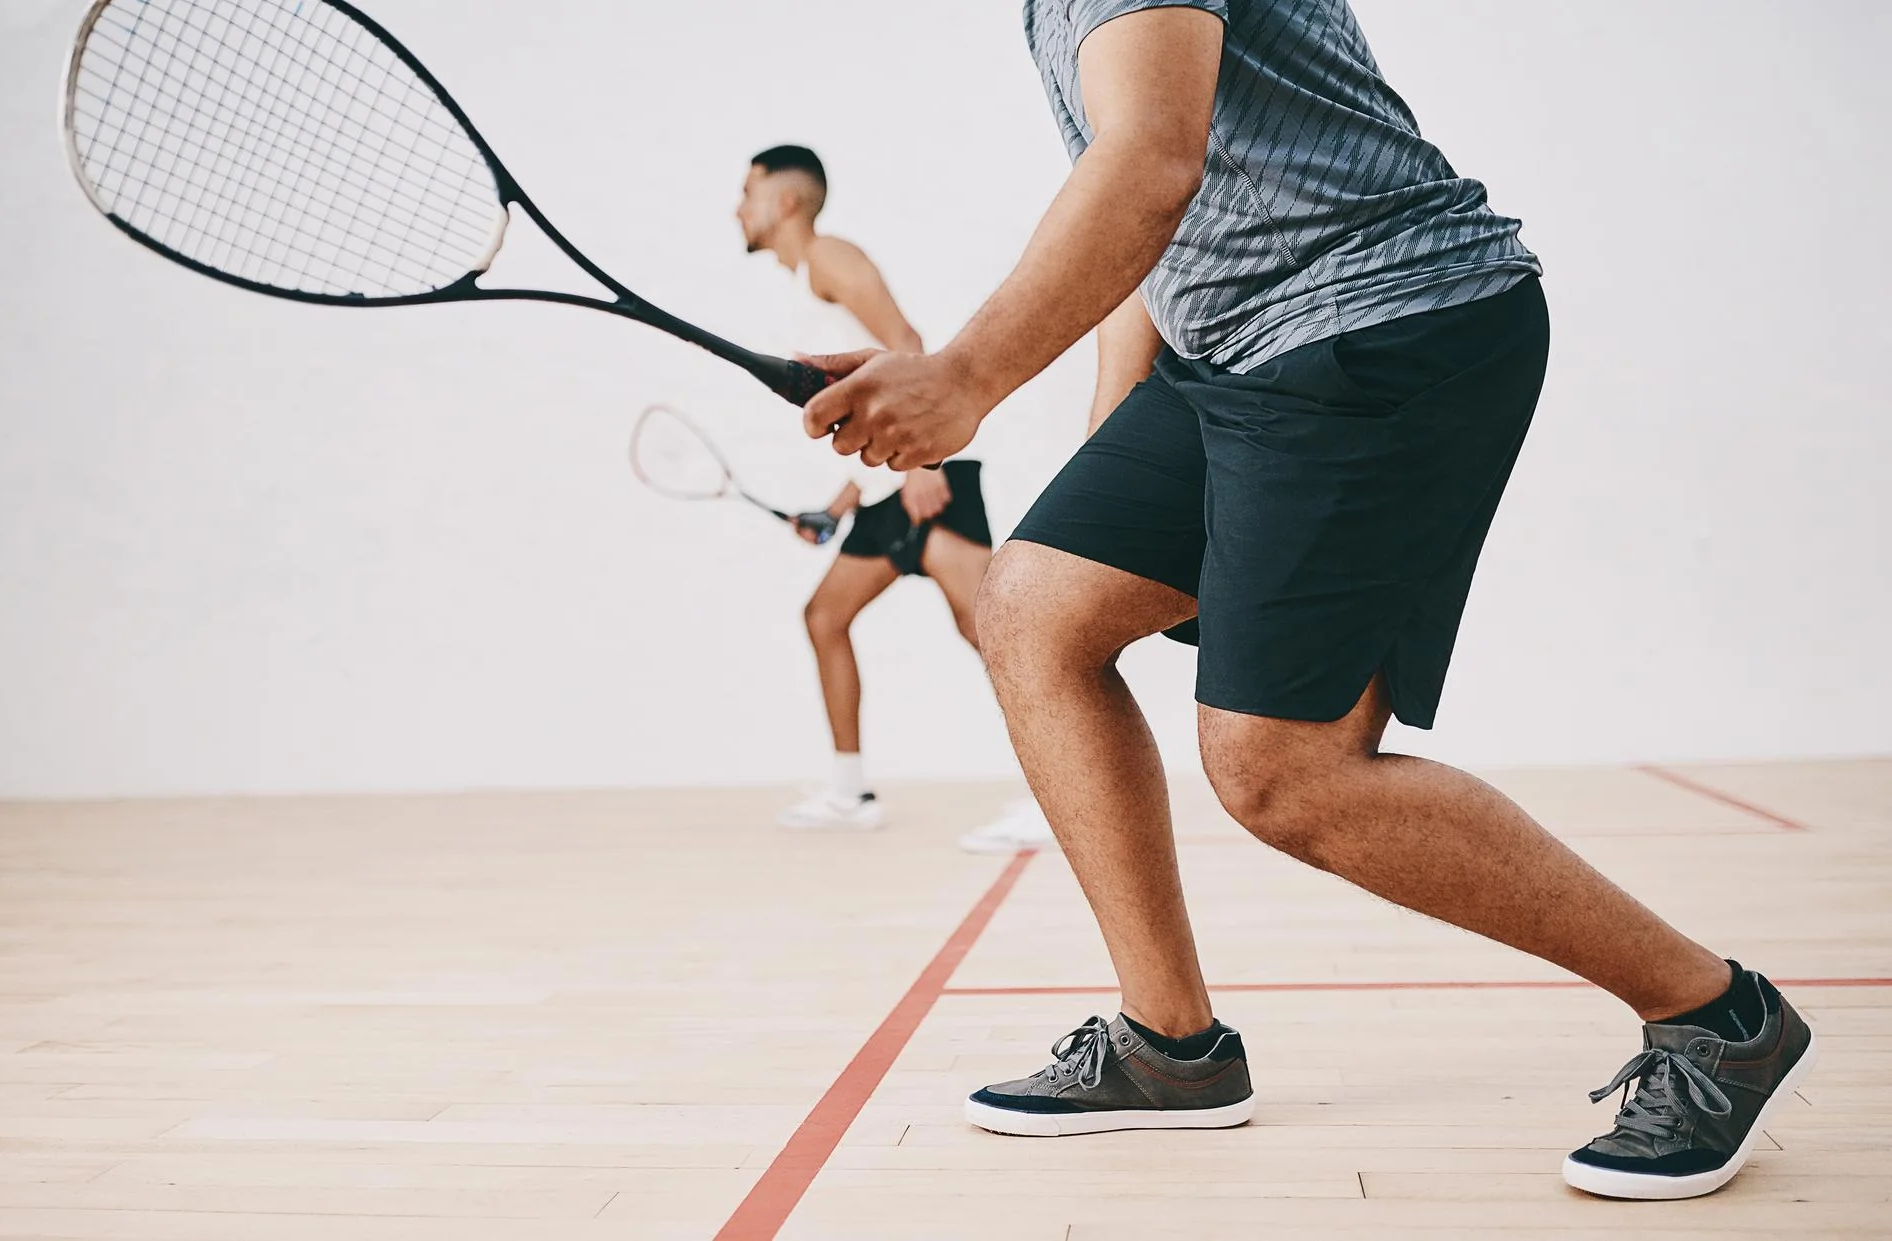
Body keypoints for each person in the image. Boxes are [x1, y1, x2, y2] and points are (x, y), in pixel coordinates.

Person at [798, 1, 1812, 1200]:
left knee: (1281, 771)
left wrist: (968, 375)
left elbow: (1152, 163)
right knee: (1031, 606)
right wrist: (1106, 457)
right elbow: (1142, 213)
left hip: (1383, 322)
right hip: (1231, 352)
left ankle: (1716, 1016)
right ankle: (1167, 1046)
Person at [736, 145, 1022, 838]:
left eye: (747, 192)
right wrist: (836, 507)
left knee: (999, 636)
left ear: (785, 200)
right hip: (885, 491)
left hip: (925, 479)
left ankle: (1063, 796)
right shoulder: (803, 283)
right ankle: (849, 792)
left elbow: (904, 338)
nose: (736, 208)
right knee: (824, 617)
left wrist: (923, 465)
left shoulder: (828, 256)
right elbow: (868, 405)